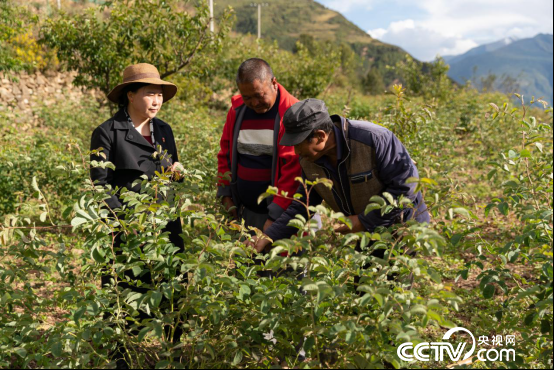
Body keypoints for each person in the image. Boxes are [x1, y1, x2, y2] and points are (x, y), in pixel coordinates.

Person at [90, 63, 184, 366]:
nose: (156, 101)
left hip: (166, 228)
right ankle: (122, 357)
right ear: (130, 95)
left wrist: (177, 174)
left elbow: (171, 172)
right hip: (129, 232)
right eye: (149, 93)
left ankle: (172, 354)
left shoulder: (164, 131)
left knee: (173, 292)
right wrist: (123, 224)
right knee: (125, 294)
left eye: (159, 94)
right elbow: (99, 186)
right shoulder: (107, 133)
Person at [251, 98, 431, 252]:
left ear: (320, 136)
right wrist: (267, 237)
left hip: (404, 227)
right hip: (368, 233)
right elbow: (302, 206)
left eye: (298, 143)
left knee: (395, 288)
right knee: (364, 286)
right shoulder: (309, 160)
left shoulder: (373, 139)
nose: (295, 151)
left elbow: (406, 188)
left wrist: (363, 220)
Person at [216, 58, 302, 232]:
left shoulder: (292, 112)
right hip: (246, 212)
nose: (254, 103)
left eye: (259, 95)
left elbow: (293, 169)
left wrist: (274, 216)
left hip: (282, 215)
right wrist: (225, 194)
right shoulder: (237, 111)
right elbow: (225, 153)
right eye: (247, 97)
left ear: (274, 83)